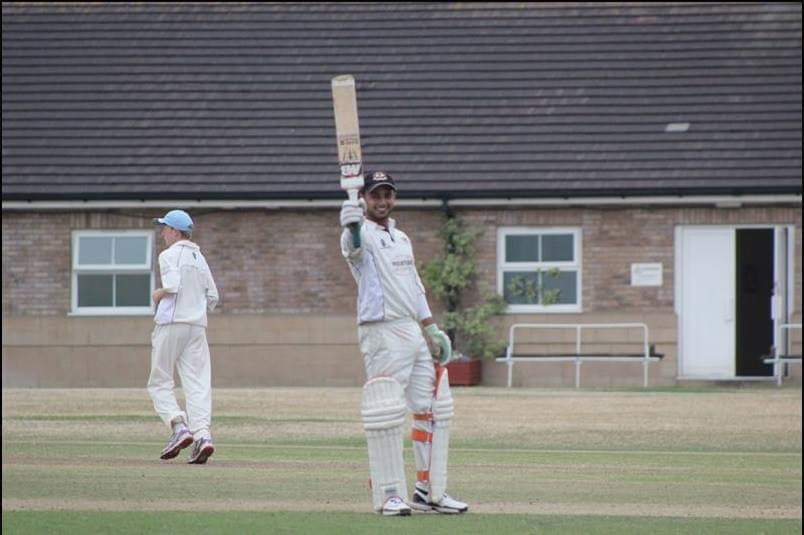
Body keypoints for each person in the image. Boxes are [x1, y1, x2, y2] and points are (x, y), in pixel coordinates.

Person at [340, 171, 469, 516]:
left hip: (411, 330)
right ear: (364, 198)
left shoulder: (402, 238)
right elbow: (353, 252)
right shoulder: (360, 234)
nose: (382, 201)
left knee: (430, 408)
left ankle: (429, 491)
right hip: (380, 329)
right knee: (386, 411)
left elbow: (414, 286)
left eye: (387, 194)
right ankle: (388, 494)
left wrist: (431, 328)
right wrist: (351, 227)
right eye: (375, 195)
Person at [148, 209, 219, 464]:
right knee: (198, 383)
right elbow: (213, 297)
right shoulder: (199, 257)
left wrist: (158, 294)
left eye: (165, 228)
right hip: (197, 327)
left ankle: (179, 426)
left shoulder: (168, 255)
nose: (163, 233)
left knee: (159, 382)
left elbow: (173, 286)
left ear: (176, 232)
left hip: (171, 324)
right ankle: (203, 436)